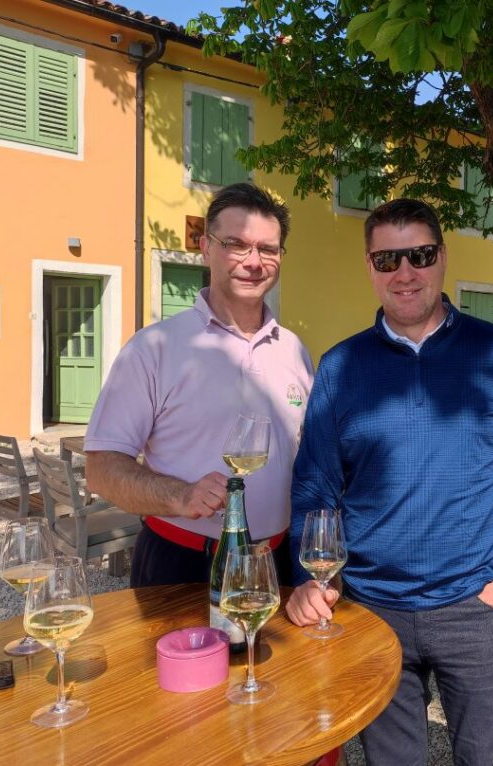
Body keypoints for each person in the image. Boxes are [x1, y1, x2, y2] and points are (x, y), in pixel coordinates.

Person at [286, 198, 493, 766]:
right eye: (388, 260)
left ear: (442, 258)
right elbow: (314, 488)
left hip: (477, 609)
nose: (405, 272)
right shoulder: (340, 366)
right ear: (370, 267)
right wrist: (308, 579)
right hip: (371, 609)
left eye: (420, 255)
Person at [85, 183, 313, 588]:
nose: (253, 262)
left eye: (267, 249)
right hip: (182, 563)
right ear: (206, 248)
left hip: (275, 562)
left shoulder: (294, 350)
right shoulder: (154, 348)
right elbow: (102, 470)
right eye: (236, 244)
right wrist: (180, 495)